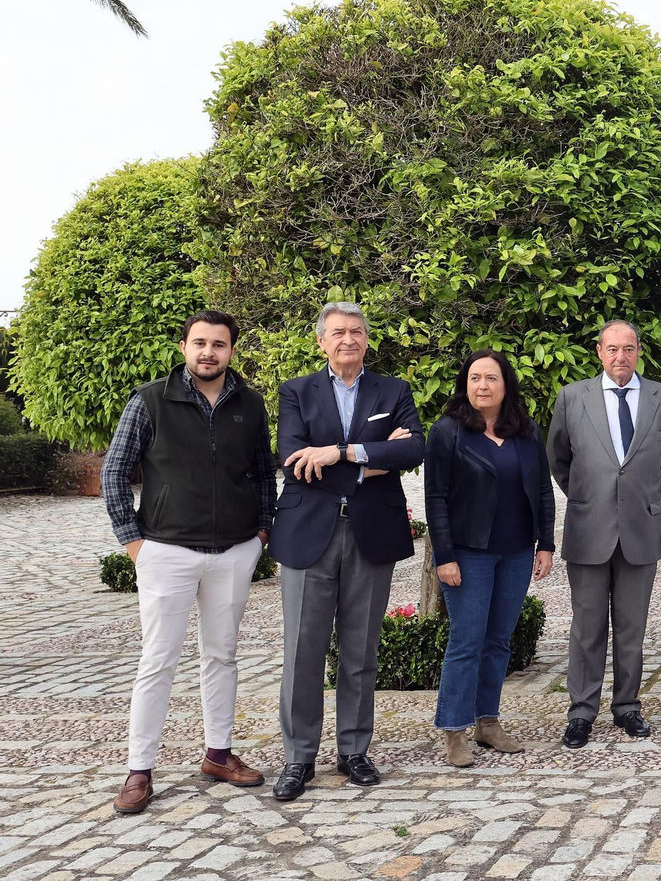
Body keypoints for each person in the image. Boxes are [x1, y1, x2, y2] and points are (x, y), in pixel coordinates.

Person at [101, 310, 276, 814]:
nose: (208, 352)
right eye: (199, 343)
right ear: (183, 347)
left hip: (234, 552)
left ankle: (218, 754)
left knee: (222, 656)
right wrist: (134, 543)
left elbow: (264, 475)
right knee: (158, 661)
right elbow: (114, 472)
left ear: (231, 352)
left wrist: (261, 534)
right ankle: (139, 770)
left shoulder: (250, 403)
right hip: (167, 551)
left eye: (218, 344)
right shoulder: (151, 399)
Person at [270, 302, 425, 801]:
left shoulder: (393, 390)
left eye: (356, 332)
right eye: (338, 332)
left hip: (370, 532)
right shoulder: (296, 392)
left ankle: (354, 750)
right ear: (322, 341)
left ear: (367, 339)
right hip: (308, 532)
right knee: (302, 652)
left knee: (360, 650)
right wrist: (375, 461)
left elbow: (414, 449)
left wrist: (339, 453)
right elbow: (294, 460)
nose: (348, 340)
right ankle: (299, 758)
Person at [547, 319, 661, 749]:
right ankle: (581, 713)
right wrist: (591, 496)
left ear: (638, 350)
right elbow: (559, 458)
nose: (620, 357)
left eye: (628, 349)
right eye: (612, 349)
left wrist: (633, 498)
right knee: (586, 628)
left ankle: (627, 707)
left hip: (640, 528)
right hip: (590, 527)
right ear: (599, 352)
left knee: (632, 628)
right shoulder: (572, 397)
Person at [424, 349, 557, 766]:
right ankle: (453, 731)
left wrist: (546, 543)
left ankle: (488, 722)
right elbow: (436, 498)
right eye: (475, 378)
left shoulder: (527, 431)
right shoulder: (448, 431)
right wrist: (444, 556)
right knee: (467, 641)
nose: (483, 386)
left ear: (506, 384)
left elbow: (543, 491)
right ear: (466, 383)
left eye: (492, 378)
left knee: (499, 640)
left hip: (516, 551)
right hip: (468, 554)